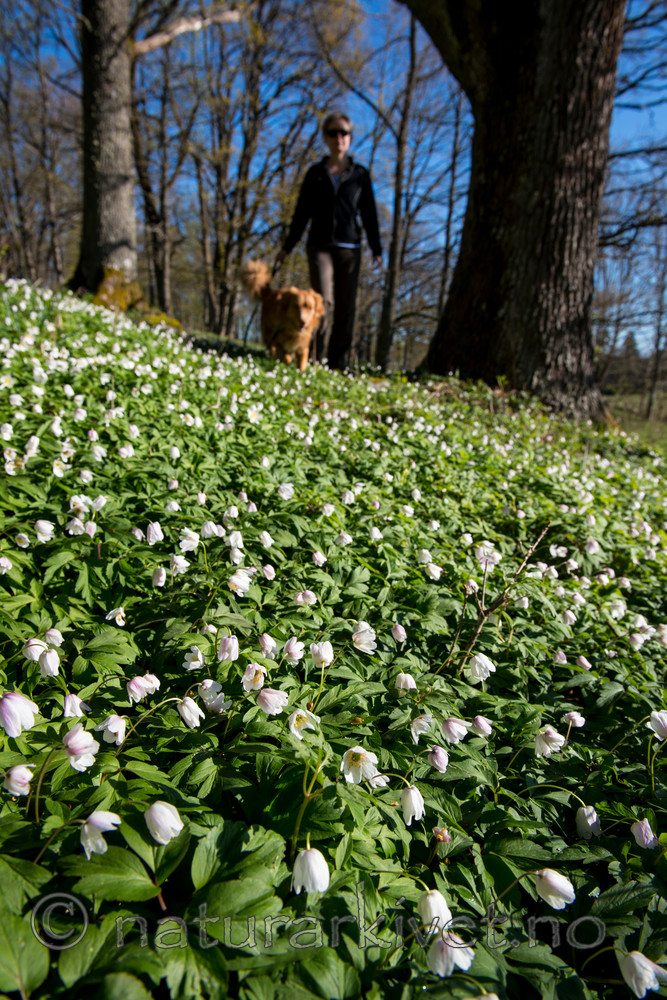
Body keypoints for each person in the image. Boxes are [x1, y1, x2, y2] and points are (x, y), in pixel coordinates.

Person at [275, 111, 382, 370]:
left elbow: (369, 213)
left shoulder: (359, 175)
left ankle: (336, 362)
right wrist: (287, 246)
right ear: (325, 137)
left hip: (350, 247)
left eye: (344, 133)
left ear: (350, 138)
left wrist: (376, 248)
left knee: (346, 307)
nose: (339, 138)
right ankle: (312, 357)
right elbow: (301, 213)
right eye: (333, 133)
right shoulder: (315, 173)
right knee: (321, 303)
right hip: (319, 245)